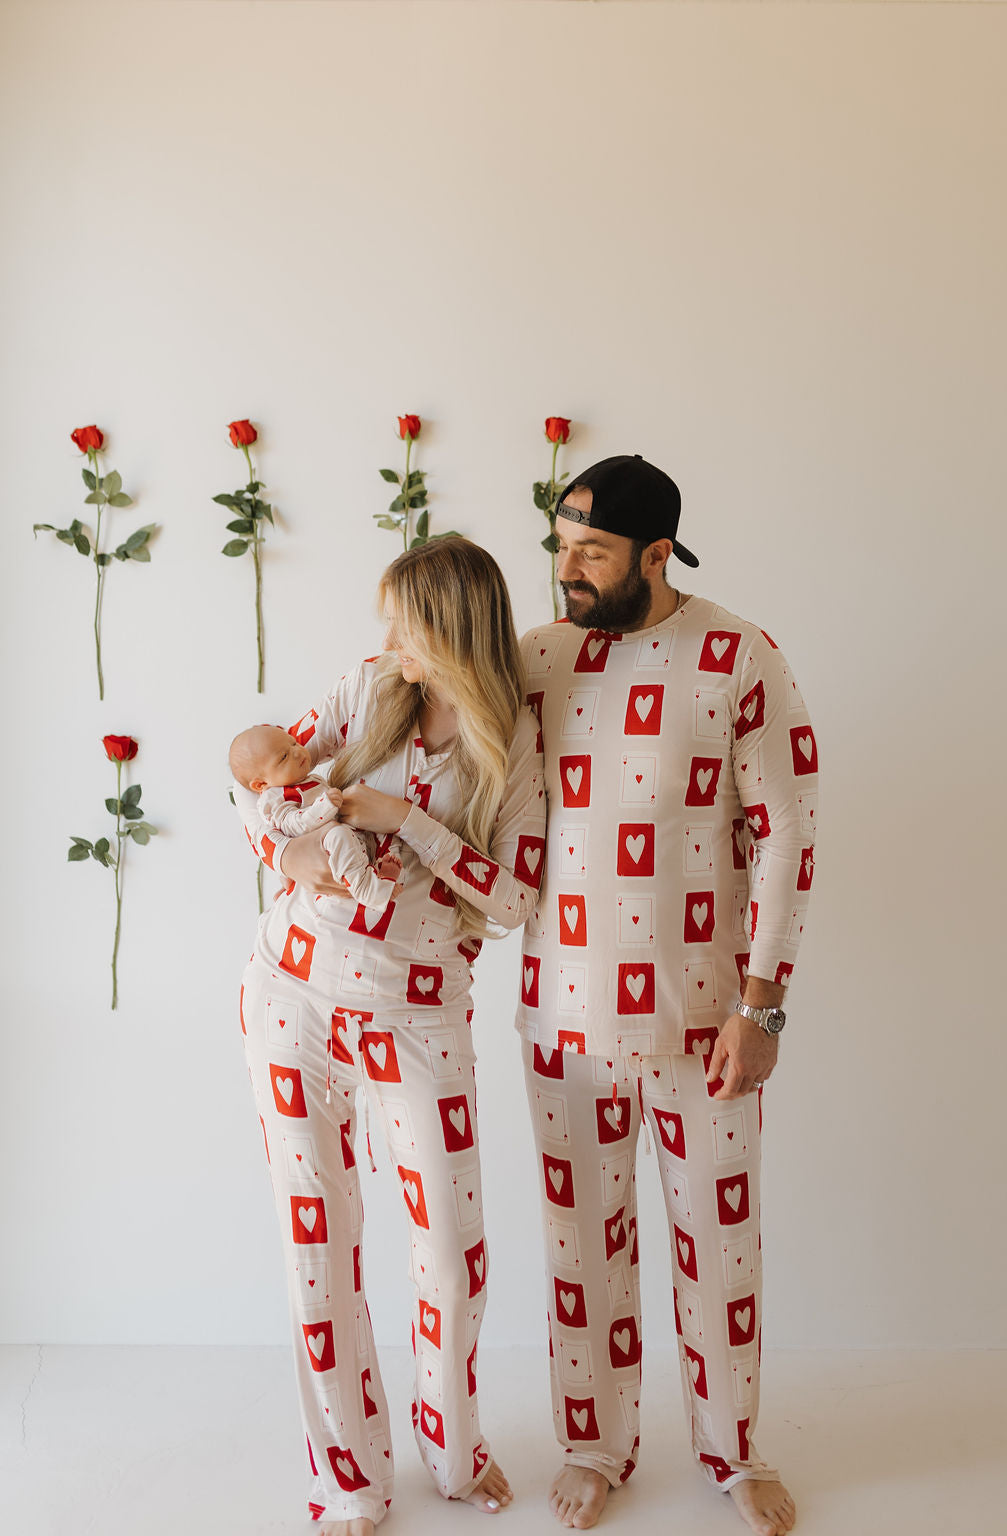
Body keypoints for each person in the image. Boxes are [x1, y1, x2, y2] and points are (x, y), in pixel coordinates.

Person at [517, 455, 816, 1536]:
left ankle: (732, 1452)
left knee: (718, 1243)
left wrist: (763, 1004)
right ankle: (595, 1446)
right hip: (562, 1014)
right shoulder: (539, 658)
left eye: (590, 550)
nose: (567, 568)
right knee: (579, 1247)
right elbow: (428, 718)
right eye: (561, 544)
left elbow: (787, 833)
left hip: (705, 1026)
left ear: (655, 553)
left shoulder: (740, 656)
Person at [233, 537, 547, 1535]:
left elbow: (513, 899)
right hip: (294, 998)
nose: (384, 639)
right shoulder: (365, 688)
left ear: (450, 633)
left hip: (417, 1019)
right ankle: (351, 1482)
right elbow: (251, 787)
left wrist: (407, 822)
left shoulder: (514, 741)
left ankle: (451, 1453)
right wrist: (296, 851)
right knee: (317, 1244)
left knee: (450, 1255)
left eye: (403, 623)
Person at [229, 722, 403, 911]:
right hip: (321, 847)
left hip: (346, 837)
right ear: (261, 784)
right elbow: (293, 825)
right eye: (284, 757)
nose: (296, 752)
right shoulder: (274, 798)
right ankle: (367, 889)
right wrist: (323, 807)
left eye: (294, 743)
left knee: (380, 827)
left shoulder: (310, 780)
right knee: (338, 836)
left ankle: (382, 869)